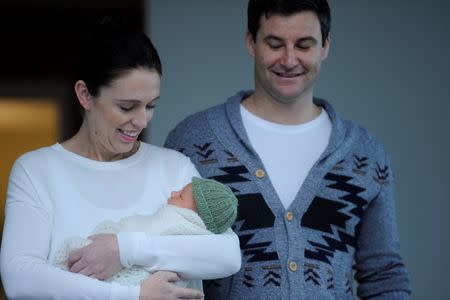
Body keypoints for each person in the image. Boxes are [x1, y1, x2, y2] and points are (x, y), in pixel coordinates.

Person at [165, 0, 411, 299]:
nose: (289, 59)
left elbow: (384, 275)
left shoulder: (365, 154)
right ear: (251, 43)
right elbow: (167, 254)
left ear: (325, 47)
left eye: (304, 45)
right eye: (275, 44)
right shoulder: (193, 139)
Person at [0, 20, 241, 300]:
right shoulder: (37, 171)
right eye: (127, 106)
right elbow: (20, 276)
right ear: (85, 95)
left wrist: (124, 250)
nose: (141, 121)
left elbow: (227, 255)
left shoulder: (173, 168)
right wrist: (131, 295)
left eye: (151, 106)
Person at [53, 177, 238, 291]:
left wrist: (119, 242)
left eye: (181, 195)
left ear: (196, 216)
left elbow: (154, 229)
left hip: (139, 279)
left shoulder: (181, 222)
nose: (173, 193)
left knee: (76, 246)